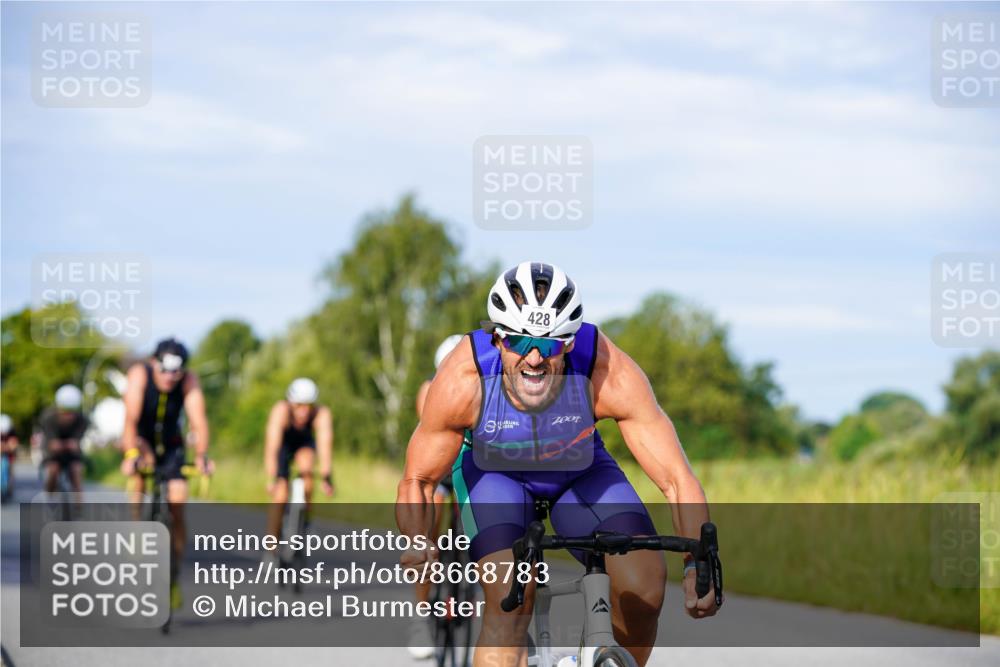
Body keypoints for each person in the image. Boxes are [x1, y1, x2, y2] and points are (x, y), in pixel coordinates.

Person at [397, 262, 720, 667]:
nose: (534, 359)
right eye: (519, 342)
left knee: (644, 590)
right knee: (511, 597)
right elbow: (419, 478)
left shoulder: (603, 368)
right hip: (494, 475)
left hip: (578, 473)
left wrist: (698, 563)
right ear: (497, 339)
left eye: (549, 345)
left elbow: (676, 478)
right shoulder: (465, 377)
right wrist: (416, 539)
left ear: (568, 343)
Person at [120, 338, 212, 608]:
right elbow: (130, 420)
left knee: (178, 498)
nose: (170, 377)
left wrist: (202, 456)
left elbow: (199, 421)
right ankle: (137, 530)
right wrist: (130, 455)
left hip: (172, 445)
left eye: (177, 372)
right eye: (165, 370)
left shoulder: (189, 381)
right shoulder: (139, 375)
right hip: (142, 440)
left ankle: (174, 571)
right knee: (140, 472)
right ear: (153, 363)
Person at [409, 334, 464, 660]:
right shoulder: (429, 389)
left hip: (472, 466)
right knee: (430, 520)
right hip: (442, 466)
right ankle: (420, 614)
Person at [264, 377, 334, 543]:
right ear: (290, 403)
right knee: (280, 494)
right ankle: (271, 547)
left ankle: (306, 520)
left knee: (308, 471)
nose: (303, 411)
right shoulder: (280, 411)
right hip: (284, 444)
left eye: (308, 406)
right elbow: (272, 447)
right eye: (298, 406)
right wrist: (271, 477)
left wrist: (326, 476)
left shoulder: (321, 414)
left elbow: (325, 446)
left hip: (304, 444)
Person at [37, 385, 89, 499]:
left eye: (71, 412)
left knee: (76, 471)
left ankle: (78, 506)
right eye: (64, 412)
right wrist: (58, 444)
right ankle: (49, 494)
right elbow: (51, 443)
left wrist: (72, 444)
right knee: (53, 469)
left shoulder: (82, 420)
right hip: (53, 454)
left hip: (72, 453)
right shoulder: (48, 418)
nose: (68, 416)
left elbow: (77, 440)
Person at [1, 414, 19, 501]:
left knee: (10, 467)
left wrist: (6, 447)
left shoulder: (12, 432)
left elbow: (13, 445)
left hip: (9, 455)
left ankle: (9, 487)